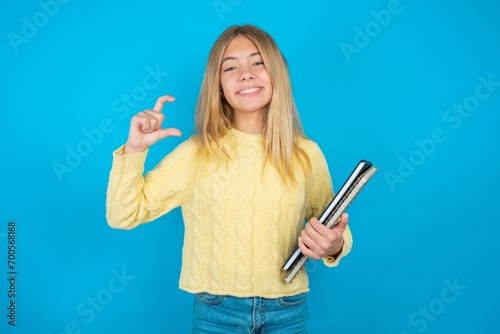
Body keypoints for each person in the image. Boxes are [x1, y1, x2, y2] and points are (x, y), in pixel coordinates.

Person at [106, 24, 352, 333]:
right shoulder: (197, 153)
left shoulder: (306, 153)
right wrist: (134, 150)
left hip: (288, 311)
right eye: (231, 67)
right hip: (216, 314)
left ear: (276, 73)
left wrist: (334, 244)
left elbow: (333, 226)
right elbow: (123, 214)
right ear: (219, 85)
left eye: (258, 62)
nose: (246, 74)